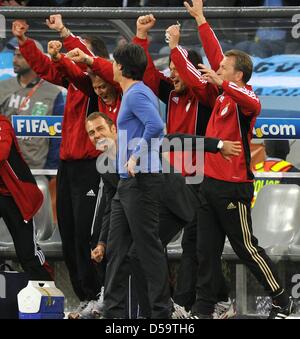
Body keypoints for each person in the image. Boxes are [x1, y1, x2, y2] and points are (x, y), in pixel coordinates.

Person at [184, 0, 295, 319]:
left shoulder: (246, 100)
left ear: (239, 74)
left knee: (246, 247)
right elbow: (216, 53)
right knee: (206, 253)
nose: (217, 69)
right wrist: (201, 19)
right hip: (209, 185)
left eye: (223, 69)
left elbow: (250, 101)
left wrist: (223, 83)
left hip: (234, 188)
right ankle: (203, 310)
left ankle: (281, 298)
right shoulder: (222, 94)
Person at [86, 112, 242, 318]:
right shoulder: (105, 166)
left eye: (100, 129)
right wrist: (102, 243)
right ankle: (153, 312)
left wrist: (218, 145)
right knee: (135, 256)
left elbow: (176, 140)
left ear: (114, 130)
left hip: (172, 205)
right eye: (91, 133)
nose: (96, 135)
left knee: (141, 254)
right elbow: (110, 208)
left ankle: (163, 311)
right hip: (145, 212)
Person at [11, 18, 104, 318]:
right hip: (67, 167)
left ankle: (98, 295)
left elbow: (75, 70)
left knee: (84, 236)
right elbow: (46, 69)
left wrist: (64, 46)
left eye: (82, 54)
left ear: (94, 60)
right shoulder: (74, 83)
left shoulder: (93, 86)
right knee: (68, 234)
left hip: (91, 167)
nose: (75, 58)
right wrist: (26, 43)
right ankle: (84, 297)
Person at [0, 113, 52, 281]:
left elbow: (2, 152)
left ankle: (47, 291)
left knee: (27, 253)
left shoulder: (2, 123)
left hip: (16, 197)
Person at [0, 37, 64, 170]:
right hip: (5, 167)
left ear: (34, 57)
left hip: (37, 169)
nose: (14, 60)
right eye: (14, 55)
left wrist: (50, 170)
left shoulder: (53, 93)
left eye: (20, 56)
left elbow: (57, 138)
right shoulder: (2, 88)